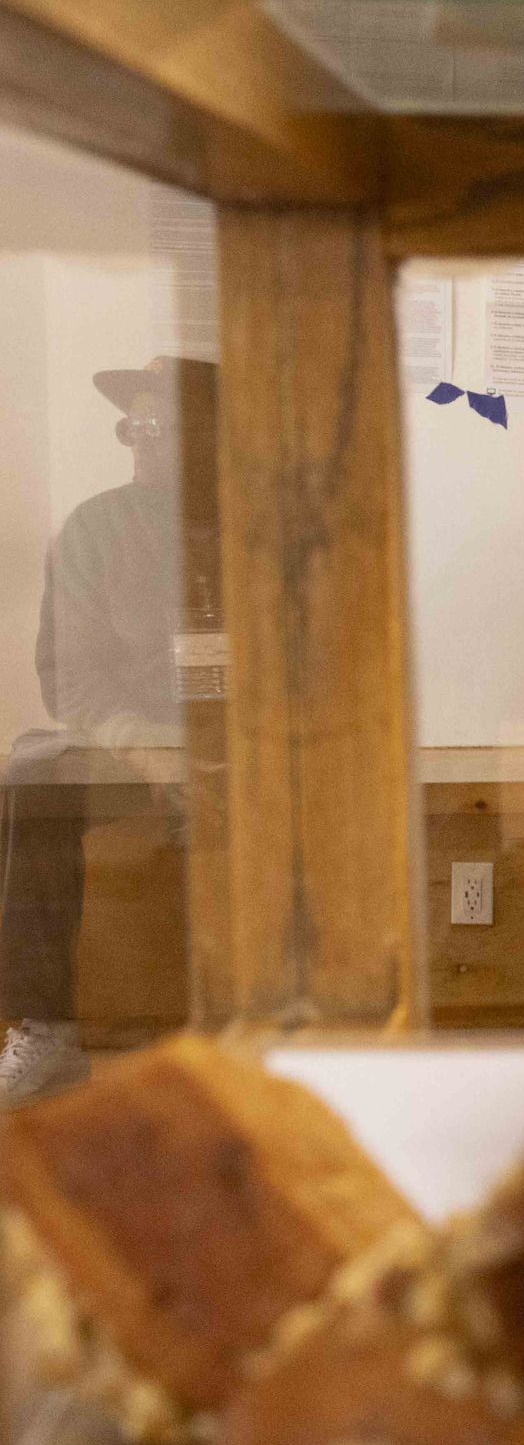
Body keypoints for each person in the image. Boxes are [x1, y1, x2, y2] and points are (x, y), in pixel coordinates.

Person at [0, 357, 205, 1102]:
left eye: (162, 424)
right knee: (28, 780)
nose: (141, 441)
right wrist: (143, 743)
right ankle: (47, 1029)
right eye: (134, 424)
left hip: (251, 746)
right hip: (123, 748)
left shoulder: (273, 523)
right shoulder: (96, 527)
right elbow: (71, 674)